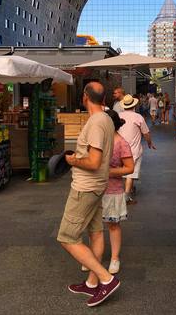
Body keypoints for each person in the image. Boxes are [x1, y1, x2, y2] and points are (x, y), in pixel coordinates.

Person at [57, 81, 119, 308]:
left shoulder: (95, 122)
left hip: (86, 187)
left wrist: (73, 160)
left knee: (66, 237)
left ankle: (106, 279)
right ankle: (92, 283)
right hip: (99, 185)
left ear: (85, 97)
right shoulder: (107, 119)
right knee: (95, 233)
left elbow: (93, 162)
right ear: (103, 99)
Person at [103, 110, 134, 272]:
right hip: (94, 189)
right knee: (92, 225)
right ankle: (93, 256)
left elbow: (130, 168)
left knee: (113, 224)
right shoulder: (96, 140)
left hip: (113, 190)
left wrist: (108, 172)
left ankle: (115, 258)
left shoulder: (121, 143)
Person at [118, 94, 156, 204]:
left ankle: (126, 190)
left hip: (119, 149)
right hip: (133, 150)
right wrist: (149, 143)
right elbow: (146, 133)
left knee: (123, 170)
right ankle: (126, 196)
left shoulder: (118, 116)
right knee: (130, 173)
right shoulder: (138, 117)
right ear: (134, 105)